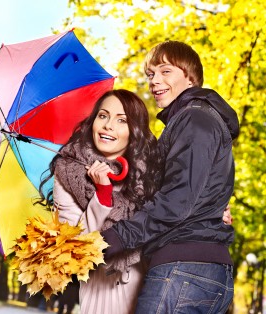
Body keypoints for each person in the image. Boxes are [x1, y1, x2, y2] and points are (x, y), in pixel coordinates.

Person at [101, 41, 239, 313]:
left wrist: (115, 238)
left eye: (166, 71)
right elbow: (192, 193)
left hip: (183, 271)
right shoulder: (191, 121)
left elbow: (176, 200)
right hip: (192, 273)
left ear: (190, 77)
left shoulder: (194, 120)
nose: (155, 81)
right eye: (150, 74)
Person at [38, 89, 163, 314]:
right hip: (101, 286)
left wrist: (214, 211)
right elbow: (76, 244)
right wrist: (102, 195)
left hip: (147, 287)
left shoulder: (151, 174)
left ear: (133, 132)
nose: (108, 126)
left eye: (121, 120)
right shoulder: (68, 171)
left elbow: (173, 212)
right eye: (103, 116)